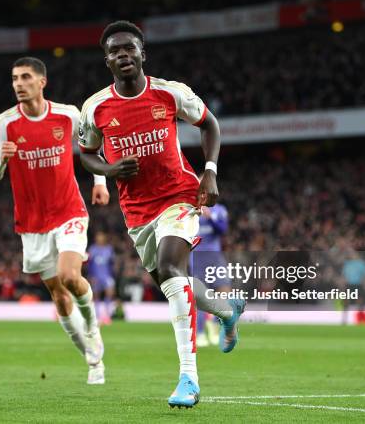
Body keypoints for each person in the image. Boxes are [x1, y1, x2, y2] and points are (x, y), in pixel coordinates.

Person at [79, 21, 245, 407]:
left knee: (172, 271)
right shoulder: (96, 108)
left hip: (180, 196)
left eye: (129, 48)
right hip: (137, 212)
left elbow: (209, 124)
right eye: (115, 51)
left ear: (142, 54)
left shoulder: (170, 93)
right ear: (107, 60)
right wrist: (109, 170)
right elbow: (87, 153)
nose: (123, 55)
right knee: (172, 282)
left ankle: (188, 378)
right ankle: (226, 309)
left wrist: (210, 170)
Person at [0, 57, 109, 385]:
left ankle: (93, 327)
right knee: (58, 295)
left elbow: (94, 145)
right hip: (32, 223)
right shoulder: (4, 123)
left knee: (69, 276)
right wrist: (1, 162)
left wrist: (99, 183)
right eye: (14, 79)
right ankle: (92, 360)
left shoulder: (67, 114)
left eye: (25, 77)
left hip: (68, 211)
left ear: (42, 82)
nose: (18, 84)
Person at [192, 202, 231, 347]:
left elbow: (223, 229)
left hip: (215, 256)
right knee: (200, 296)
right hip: (198, 257)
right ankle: (200, 333)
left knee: (225, 291)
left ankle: (214, 325)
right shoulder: (189, 209)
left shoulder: (219, 209)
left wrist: (210, 218)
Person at [87, 231, 116, 325]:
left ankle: (107, 316)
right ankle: (97, 316)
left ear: (104, 238)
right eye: (98, 237)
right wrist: (91, 276)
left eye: (101, 237)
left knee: (110, 293)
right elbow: (90, 264)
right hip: (96, 276)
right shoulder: (92, 249)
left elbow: (111, 264)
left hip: (107, 275)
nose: (100, 238)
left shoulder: (109, 249)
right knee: (96, 296)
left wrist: (112, 275)